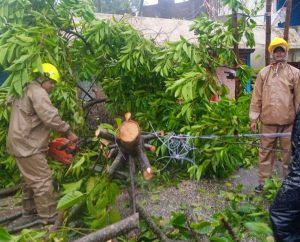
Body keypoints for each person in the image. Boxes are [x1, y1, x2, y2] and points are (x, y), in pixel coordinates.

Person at [6, 63, 78, 225]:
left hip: (19, 142)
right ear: (43, 78)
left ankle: (29, 212)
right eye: (51, 82)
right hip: (27, 145)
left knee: (29, 179)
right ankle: (49, 217)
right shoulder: (38, 92)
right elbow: (50, 117)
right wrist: (68, 131)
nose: (52, 86)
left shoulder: (23, 88)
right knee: (43, 180)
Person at [250, 37, 300, 193]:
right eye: (276, 50)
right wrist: (253, 118)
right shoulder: (264, 73)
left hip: (288, 123)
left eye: (281, 50)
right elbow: (256, 97)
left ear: (286, 52)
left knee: (288, 154)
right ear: (271, 52)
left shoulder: (295, 73)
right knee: (265, 153)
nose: (279, 53)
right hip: (268, 122)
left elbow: (299, 98)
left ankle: (288, 185)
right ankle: (263, 183)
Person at [269, 109, 300, 241]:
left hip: (287, 118)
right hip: (268, 117)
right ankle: (263, 181)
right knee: (266, 152)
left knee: (281, 214)